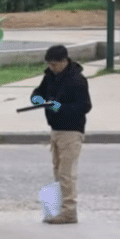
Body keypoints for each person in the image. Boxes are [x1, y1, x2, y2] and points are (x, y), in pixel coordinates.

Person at [30, 45, 92, 225]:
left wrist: (60, 108)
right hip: (55, 129)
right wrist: (37, 99)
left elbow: (84, 106)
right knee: (58, 171)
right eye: (49, 64)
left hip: (71, 131)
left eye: (55, 64)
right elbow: (38, 92)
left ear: (65, 61)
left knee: (67, 173)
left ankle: (69, 212)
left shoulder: (77, 80)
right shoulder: (49, 77)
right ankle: (58, 208)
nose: (52, 68)